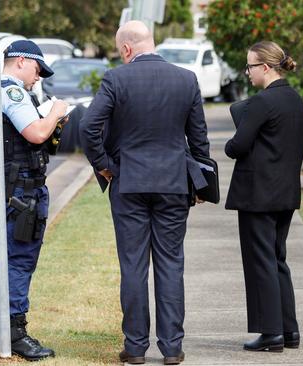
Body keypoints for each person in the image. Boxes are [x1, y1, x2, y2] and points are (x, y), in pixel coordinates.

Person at [79, 21, 210, 365]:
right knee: (171, 264)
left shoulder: (116, 79)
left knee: (133, 266)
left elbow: (88, 127)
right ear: (151, 43)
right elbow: (199, 139)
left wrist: (106, 165)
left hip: (129, 183)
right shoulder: (186, 79)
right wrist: (201, 184)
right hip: (173, 184)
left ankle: (135, 347)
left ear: (125, 49)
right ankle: (172, 348)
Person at [0, 39, 69, 361]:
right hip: (20, 191)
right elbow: (36, 134)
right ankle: (15, 333)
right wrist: (55, 113)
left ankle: (1, 330)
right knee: (19, 261)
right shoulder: (11, 91)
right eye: (38, 69)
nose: (38, 77)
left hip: (13, 187)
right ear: (21, 62)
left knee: (10, 257)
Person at [225, 41, 303, 352]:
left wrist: (232, 142)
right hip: (285, 193)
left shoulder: (261, 103)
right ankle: (289, 330)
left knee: (261, 262)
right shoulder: (294, 99)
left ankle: (271, 333)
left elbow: (237, 146)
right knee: (277, 260)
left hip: (258, 195)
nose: (248, 72)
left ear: (266, 67)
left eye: (250, 67)